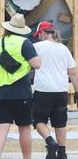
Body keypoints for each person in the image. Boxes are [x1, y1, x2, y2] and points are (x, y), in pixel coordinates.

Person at [0, 13, 41, 159]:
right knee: (24, 128)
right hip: (21, 91)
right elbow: (37, 64)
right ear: (21, 29)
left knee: (2, 127)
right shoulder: (24, 43)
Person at [31, 21, 77, 159]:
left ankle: (50, 142)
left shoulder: (36, 47)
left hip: (43, 89)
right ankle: (62, 153)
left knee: (38, 120)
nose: (38, 37)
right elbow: (73, 73)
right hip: (61, 90)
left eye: (39, 34)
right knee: (60, 122)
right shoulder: (63, 49)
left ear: (43, 33)